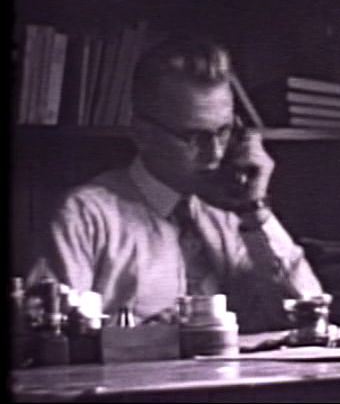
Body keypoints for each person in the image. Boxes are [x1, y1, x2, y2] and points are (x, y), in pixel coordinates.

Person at [27, 35, 324, 333]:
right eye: (194, 138)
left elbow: (309, 318)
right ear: (143, 134)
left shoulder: (237, 213)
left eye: (223, 132)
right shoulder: (84, 215)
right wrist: (152, 338)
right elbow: (49, 343)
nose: (215, 154)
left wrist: (255, 211)